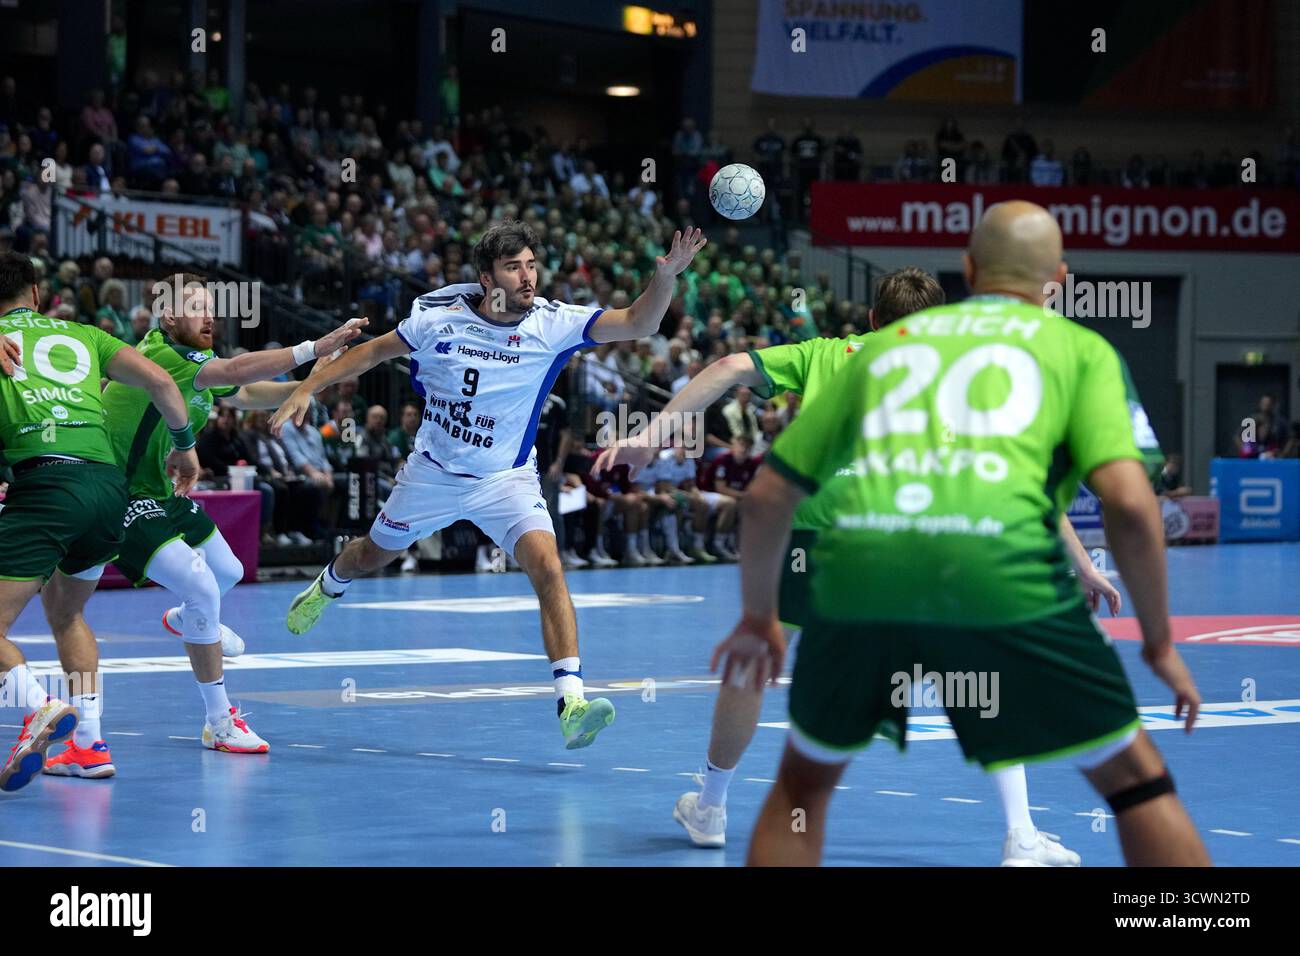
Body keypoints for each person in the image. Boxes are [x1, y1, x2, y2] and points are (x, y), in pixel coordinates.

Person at [717, 202, 1208, 867]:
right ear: (1057, 280)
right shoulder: (1080, 353)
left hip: (863, 573)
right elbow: (1128, 503)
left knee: (802, 787)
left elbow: (767, 498)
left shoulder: (884, 353)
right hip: (1002, 576)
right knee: (1139, 786)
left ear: (971, 269)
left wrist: (757, 615)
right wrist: (1158, 641)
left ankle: (1022, 833)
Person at [596, 264, 1122, 863]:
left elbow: (726, 368)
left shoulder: (826, 355)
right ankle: (1021, 836)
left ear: (872, 319)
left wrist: (651, 436)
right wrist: (1081, 560)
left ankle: (710, 806)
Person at [271, 220, 708, 749]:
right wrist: (306, 388)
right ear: (486, 277)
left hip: (506, 480)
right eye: (513, 267)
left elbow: (638, 323)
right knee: (370, 556)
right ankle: (329, 584)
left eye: (531, 265)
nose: (527, 277)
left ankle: (571, 701)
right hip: (433, 473)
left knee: (548, 567)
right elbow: (367, 355)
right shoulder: (438, 322)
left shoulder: (554, 324)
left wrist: (666, 278)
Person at [36, 274, 363, 775]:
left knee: (227, 572)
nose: (208, 315)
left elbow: (245, 389)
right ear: (168, 318)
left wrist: (309, 386)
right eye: (194, 306)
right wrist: (312, 347)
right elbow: (234, 367)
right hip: (117, 496)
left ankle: (187, 622)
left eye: (211, 307)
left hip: (161, 493)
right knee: (201, 585)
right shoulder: (163, 356)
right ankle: (218, 721)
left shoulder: (198, 366)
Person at [0, 252, 199, 790]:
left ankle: (38, 706)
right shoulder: (86, 335)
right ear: (37, 295)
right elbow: (161, 382)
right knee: (66, 615)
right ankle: (88, 743)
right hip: (108, 488)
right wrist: (184, 447)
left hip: (46, 483)